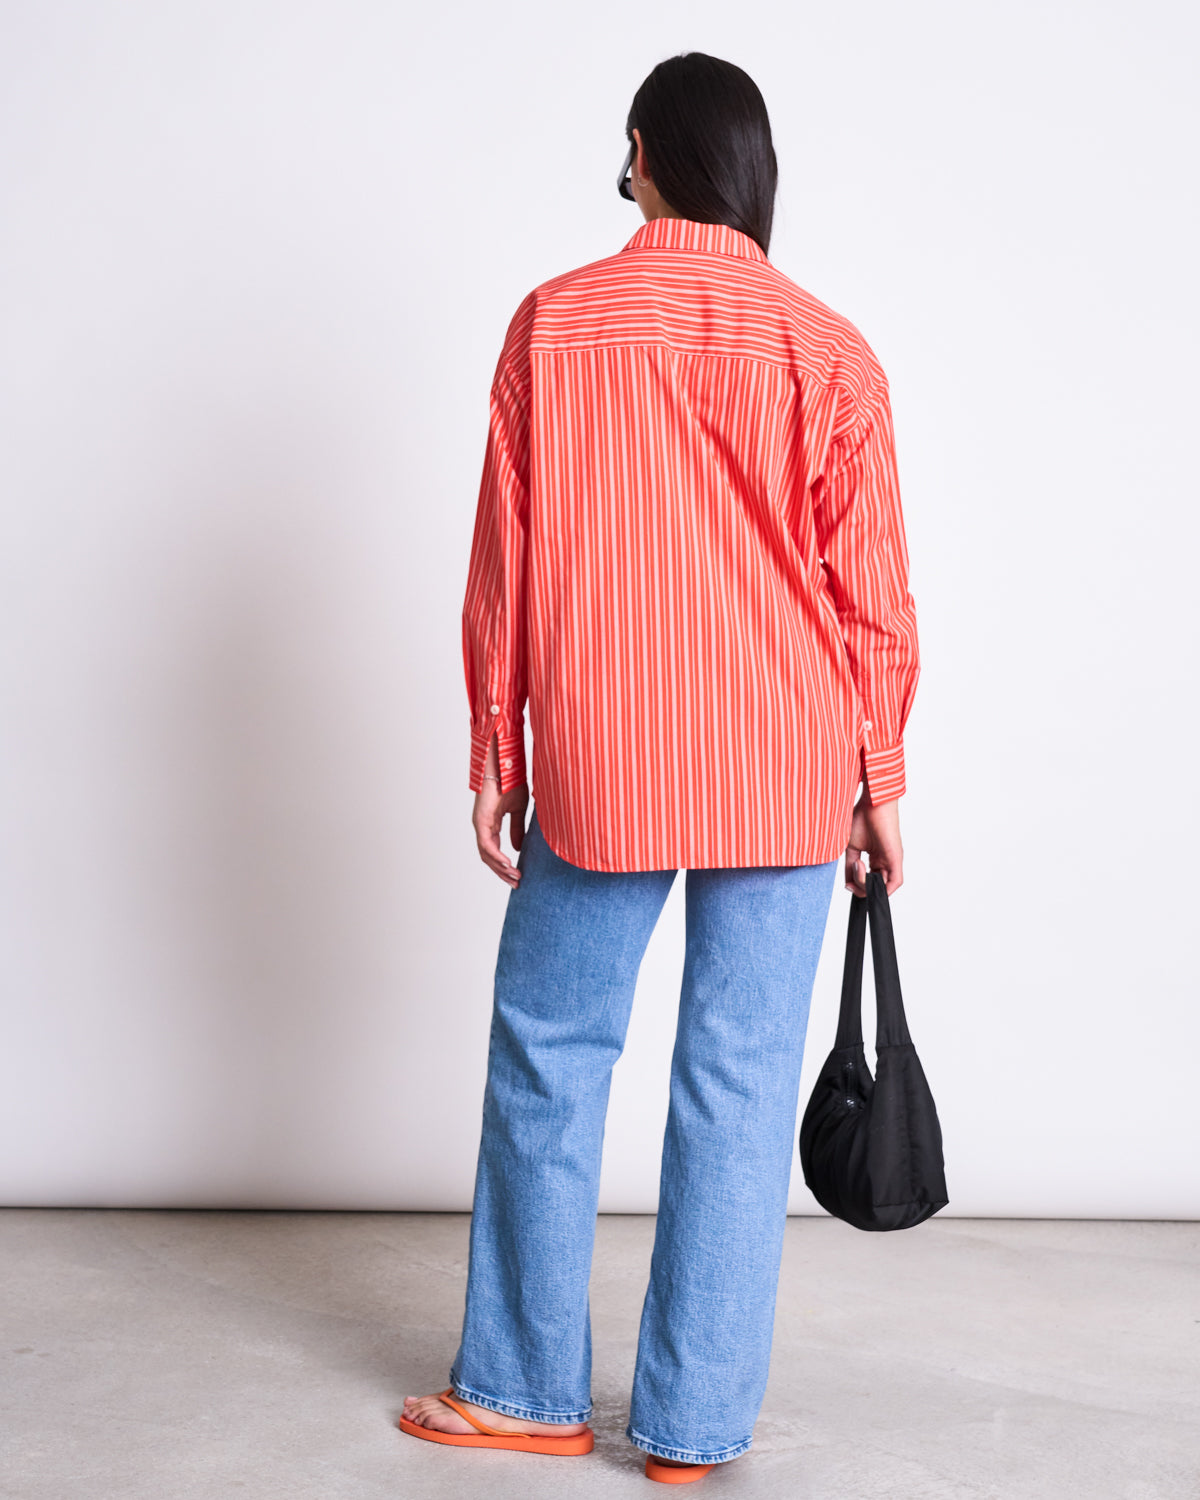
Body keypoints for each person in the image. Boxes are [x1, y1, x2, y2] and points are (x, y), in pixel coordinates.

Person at [400, 51, 919, 1484]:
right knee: (740, 1082)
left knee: (551, 1056)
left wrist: (496, 740)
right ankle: (692, 1435)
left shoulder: (554, 327)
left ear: (641, 153)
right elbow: (870, 593)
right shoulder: (827, 346)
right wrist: (877, 778)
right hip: (786, 761)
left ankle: (524, 1392)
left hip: (603, 752)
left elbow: (505, 560)